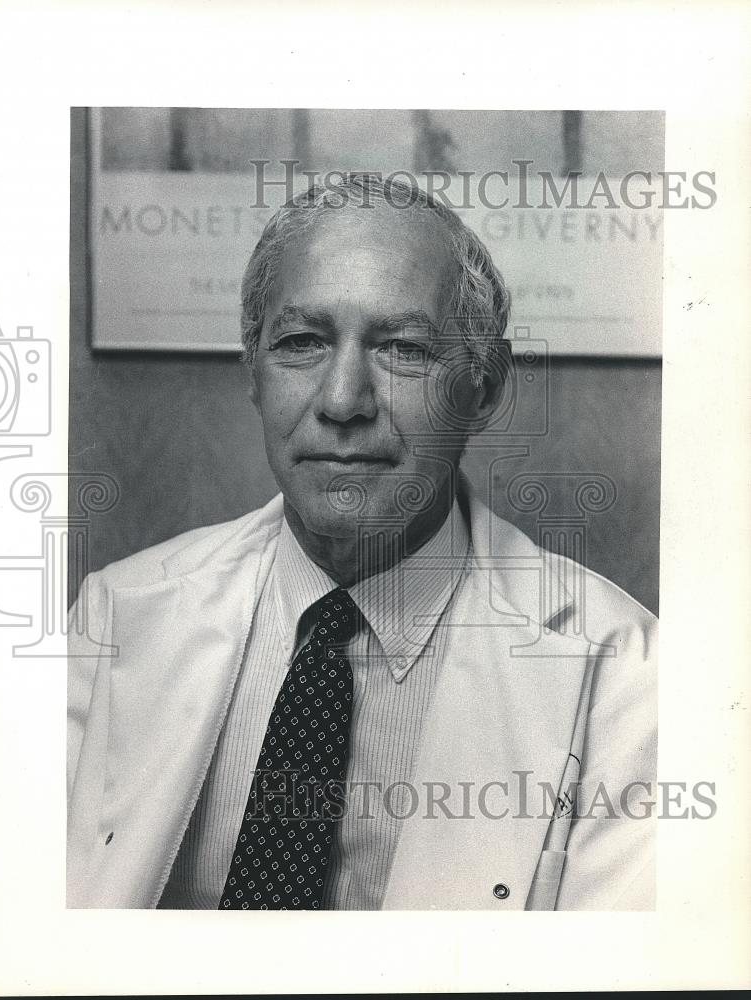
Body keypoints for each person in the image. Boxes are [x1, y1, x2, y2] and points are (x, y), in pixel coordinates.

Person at [67, 175, 657, 910]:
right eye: (302, 342)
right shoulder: (116, 615)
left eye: (403, 348)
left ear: (485, 388)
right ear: (252, 371)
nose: (343, 401)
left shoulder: (627, 673)